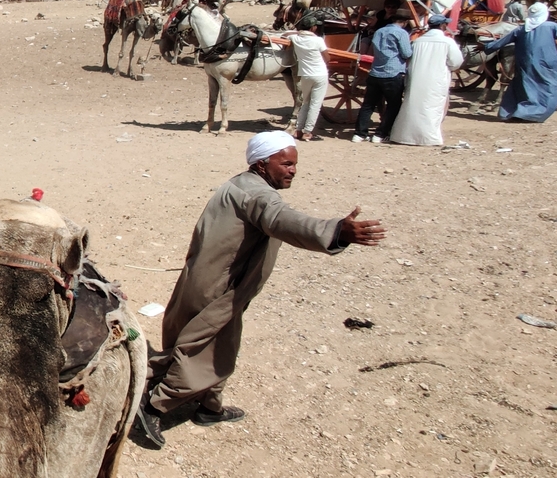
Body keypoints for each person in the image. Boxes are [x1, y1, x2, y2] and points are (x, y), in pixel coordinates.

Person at [133, 132, 386, 449]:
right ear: (263, 164)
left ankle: (210, 408)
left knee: (213, 343)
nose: (293, 170)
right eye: (286, 164)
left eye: (294, 164)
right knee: (208, 354)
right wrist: (336, 231)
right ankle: (153, 407)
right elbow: (283, 220)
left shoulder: (240, 184)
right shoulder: (258, 196)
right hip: (219, 289)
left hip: (204, 279)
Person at [482, 3, 557, 122]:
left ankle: (513, 112)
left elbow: (502, 41)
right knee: (547, 87)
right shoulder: (551, 26)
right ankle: (533, 114)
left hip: (525, 63)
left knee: (522, 86)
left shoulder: (521, 29)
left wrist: (486, 47)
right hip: (547, 63)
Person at [389, 14, 465, 145]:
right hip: (436, 79)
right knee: (432, 108)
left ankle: (404, 136)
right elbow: (456, 62)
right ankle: (429, 138)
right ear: (442, 26)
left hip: (416, 78)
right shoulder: (447, 42)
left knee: (412, 106)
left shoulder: (417, 42)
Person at [354, 8, 412, 143]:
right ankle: (381, 134)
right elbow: (406, 53)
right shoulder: (402, 33)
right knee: (393, 105)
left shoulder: (379, 31)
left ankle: (360, 134)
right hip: (393, 72)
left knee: (368, 105)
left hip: (375, 72)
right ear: (404, 22)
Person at [288, 15, 329, 140]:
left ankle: (298, 130)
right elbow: (327, 58)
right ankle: (308, 131)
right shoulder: (318, 40)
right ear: (313, 28)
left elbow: (285, 34)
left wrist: (297, 32)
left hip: (305, 75)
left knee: (305, 102)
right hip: (320, 74)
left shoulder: (295, 38)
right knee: (315, 104)